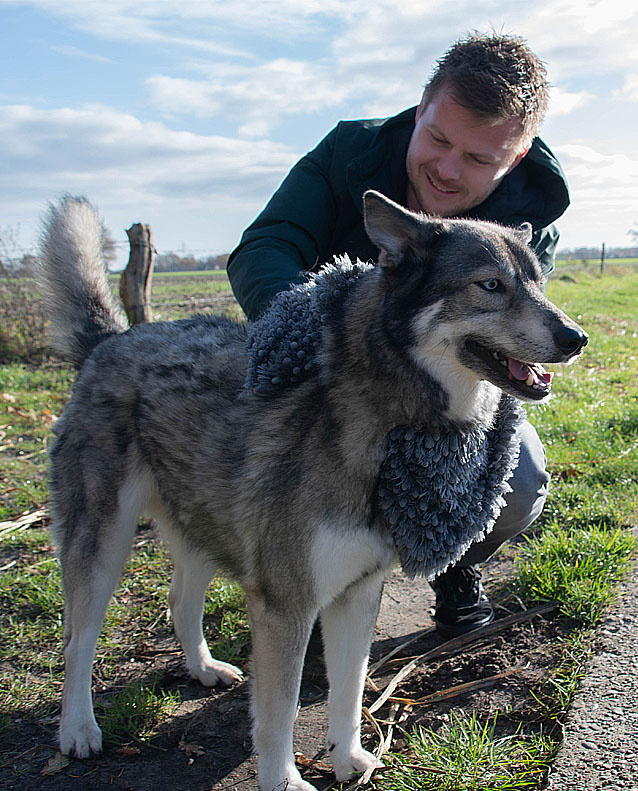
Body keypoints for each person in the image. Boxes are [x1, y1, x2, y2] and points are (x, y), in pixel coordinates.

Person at [227, 32, 569, 639]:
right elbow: (266, 247)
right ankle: (311, 583)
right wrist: (304, 330)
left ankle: (453, 560)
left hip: (447, 383)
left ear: (513, 159)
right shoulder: (347, 152)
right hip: (330, 368)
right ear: (421, 108)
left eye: (479, 160)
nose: (446, 168)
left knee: (521, 481)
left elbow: (508, 328)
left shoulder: (531, 209)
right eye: (438, 138)